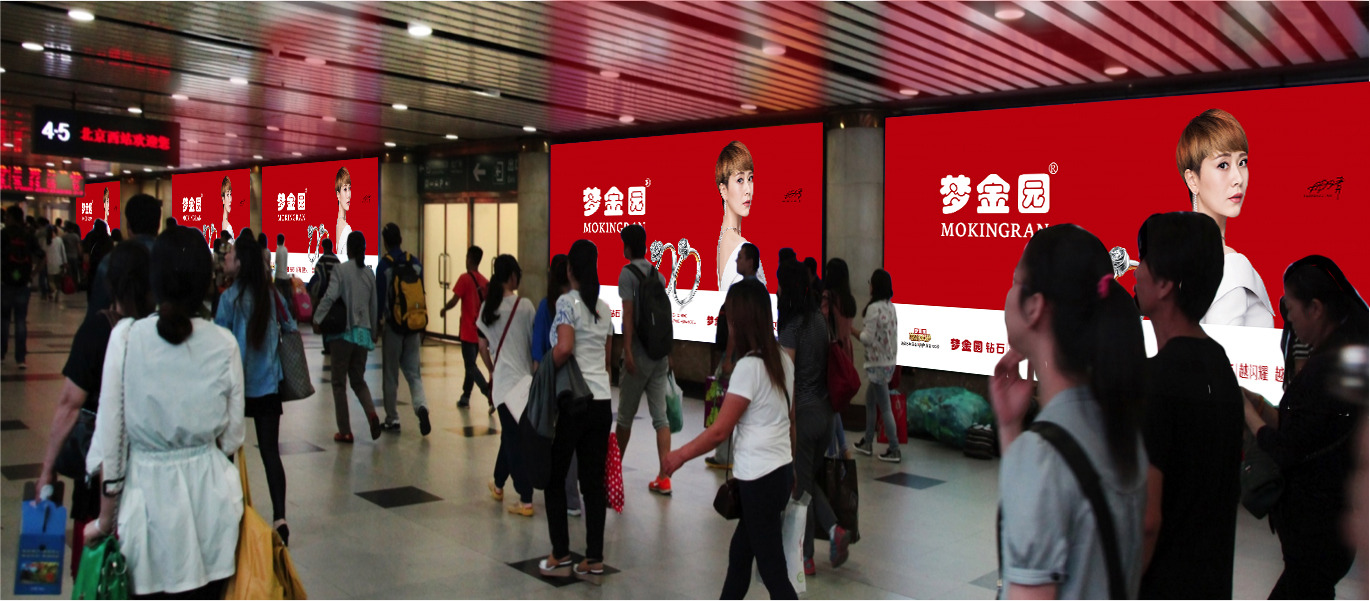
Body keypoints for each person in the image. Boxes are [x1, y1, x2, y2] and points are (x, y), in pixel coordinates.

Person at [82, 226, 245, 598]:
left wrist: (104, 521)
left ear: (154, 280)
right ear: (205, 280)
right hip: (212, 513)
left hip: (146, 517)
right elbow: (232, 438)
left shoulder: (126, 338)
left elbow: (111, 439)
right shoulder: (224, 343)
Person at [990, 224, 1148, 599]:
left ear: (1035, 307)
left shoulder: (1041, 456)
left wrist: (1019, 445)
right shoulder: (1120, 432)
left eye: (1015, 282)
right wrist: (1010, 429)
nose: (1009, 294)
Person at [1132, 213, 1242, 598]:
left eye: (1142, 261)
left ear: (1164, 284)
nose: (1135, 272)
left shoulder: (1157, 380)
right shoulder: (1219, 362)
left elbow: (1147, 521)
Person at [664, 279, 796, 600]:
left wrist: (679, 455)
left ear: (740, 322)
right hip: (778, 473)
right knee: (740, 555)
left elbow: (719, 431)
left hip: (759, 480)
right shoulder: (782, 359)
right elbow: (790, 420)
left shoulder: (749, 367)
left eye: (730, 317)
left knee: (774, 573)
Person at [1242, 255, 1365, 599]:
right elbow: (1305, 429)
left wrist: (1248, 413)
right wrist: (1260, 407)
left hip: (1316, 533)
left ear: (1315, 308)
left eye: (1291, 308)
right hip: (1327, 531)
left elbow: (1286, 449)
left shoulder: (1325, 369)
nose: (1289, 319)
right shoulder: (1342, 358)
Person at [33, 240, 153, 578]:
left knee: (94, 571)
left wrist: (47, 469)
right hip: (147, 471)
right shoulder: (158, 331)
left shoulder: (98, 330)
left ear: (109, 283)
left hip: (100, 470)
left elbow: (69, 404)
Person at [539, 240, 614, 582]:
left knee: (555, 477)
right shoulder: (604, 309)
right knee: (593, 483)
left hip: (575, 402)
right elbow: (606, 361)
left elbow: (565, 347)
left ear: (570, 269)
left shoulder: (566, 302)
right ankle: (594, 558)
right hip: (601, 402)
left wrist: (546, 368)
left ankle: (560, 553)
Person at [215, 233, 296, 545]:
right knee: (270, 452)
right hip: (268, 386)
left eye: (231, 252)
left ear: (240, 262)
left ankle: (229, 513)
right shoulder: (270, 295)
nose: (226, 255)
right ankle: (280, 518)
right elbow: (290, 326)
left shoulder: (229, 299)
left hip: (236, 389)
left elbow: (219, 342)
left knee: (228, 451)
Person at [777, 260, 850, 575]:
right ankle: (827, 537)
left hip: (804, 417)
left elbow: (787, 378)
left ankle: (812, 550)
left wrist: (787, 422)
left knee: (801, 488)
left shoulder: (791, 327)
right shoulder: (819, 321)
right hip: (827, 416)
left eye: (779, 284)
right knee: (807, 480)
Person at [1176, 108, 1274, 328]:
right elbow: (1223, 350)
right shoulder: (1229, 265)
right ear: (1192, 180)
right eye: (1223, 165)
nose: (1238, 178)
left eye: (1242, 162)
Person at [615, 224, 674, 495]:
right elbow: (663, 319)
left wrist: (627, 350)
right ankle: (664, 477)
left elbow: (628, 314)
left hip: (638, 355)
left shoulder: (626, 274)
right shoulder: (658, 275)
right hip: (659, 355)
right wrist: (667, 353)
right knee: (661, 418)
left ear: (628, 247)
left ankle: (613, 475)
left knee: (625, 418)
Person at [478, 255, 537, 516]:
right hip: (524, 383)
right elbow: (534, 344)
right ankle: (507, 488)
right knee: (513, 437)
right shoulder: (526, 306)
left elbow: (482, 347)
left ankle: (519, 495)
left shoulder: (487, 308)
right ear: (512, 276)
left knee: (511, 437)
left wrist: (492, 369)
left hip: (502, 384)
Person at [314, 231, 382, 442]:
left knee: (338, 383)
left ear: (349, 249)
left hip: (343, 334)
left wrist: (317, 318)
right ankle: (372, 414)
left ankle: (345, 431)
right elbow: (374, 305)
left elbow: (329, 296)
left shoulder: (341, 270)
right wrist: (373, 332)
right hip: (363, 336)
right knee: (358, 381)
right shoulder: (369, 274)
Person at [532, 254, 584, 516]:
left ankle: (563, 495)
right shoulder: (582, 303)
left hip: (555, 379)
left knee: (553, 437)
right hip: (581, 383)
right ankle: (573, 495)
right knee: (574, 440)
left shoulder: (548, 305)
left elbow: (539, 351)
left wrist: (539, 381)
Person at [707, 241, 761, 470]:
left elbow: (733, 328)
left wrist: (728, 358)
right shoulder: (761, 291)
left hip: (738, 356)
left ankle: (723, 455)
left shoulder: (737, 291)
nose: (737, 260)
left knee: (724, 404)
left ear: (750, 262)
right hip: (757, 357)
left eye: (740, 257)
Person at [376, 223, 431, 434]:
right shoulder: (414, 263)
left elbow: (380, 300)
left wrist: (376, 325)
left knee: (391, 375)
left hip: (393, 327)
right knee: (414, 373)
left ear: (385, 242)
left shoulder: (384, 266)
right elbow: (420, 294)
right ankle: (421, 406)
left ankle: (392, 419)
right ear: (400, 239)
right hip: (413, 325)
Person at [852, 269, 900, 462]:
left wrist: (851, 330)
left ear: (875, 286)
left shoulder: (873, 309)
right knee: (870, 400)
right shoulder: (891, 307)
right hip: (888, 363)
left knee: (885, 407)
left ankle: (894, 448)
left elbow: (867, 338)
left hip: (877, 365)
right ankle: (868, 441)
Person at [88, 194, 160, 318]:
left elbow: (96, 313)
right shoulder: (169, 258)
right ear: (158, 225)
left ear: (128, 225)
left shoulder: (110, 261)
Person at [439, 246, 492, 411]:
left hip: (468, 331)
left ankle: (487, 391)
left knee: (470, 366)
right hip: (480, 331)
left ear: (469, 259)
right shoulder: (484, 282)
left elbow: (455, 300)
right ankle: (465, 397)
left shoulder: (464, 279)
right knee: (471, 364)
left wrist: (444, 309)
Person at [715, 141, 768, 291]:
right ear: (723, 190)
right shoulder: (741, 247)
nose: (748, 190)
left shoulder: (723, 240)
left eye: (750, 178)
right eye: (740, 180)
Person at [823, 258, 856, 457]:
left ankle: (835, 451)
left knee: (830, 404)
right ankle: (841, 448)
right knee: (834, 404)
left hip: (833, 353)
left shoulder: (829, 298)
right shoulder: (848, 299)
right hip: (846, 353)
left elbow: (823, 320)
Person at [2, 206, 39, 369]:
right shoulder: (28, 235)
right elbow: (42, 256)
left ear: (11, 217)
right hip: (23, 283)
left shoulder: (4, 234)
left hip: (6, 282)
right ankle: (20, 358)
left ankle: (1, 354)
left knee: (4, 320)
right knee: (20, 321)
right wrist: (32, 274)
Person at [43, 224, 66, 301]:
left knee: (50, 280)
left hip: (49, 262)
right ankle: (56, 293)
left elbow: (44, 253)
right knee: (57, 280)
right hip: (59, 262)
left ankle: (54, 291)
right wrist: (65, 261)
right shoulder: (59, 240)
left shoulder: (46, 241)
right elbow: (63, 252)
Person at [334, 167, 354, 247]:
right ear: (338, 194)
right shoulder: (346, 228)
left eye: (349, 188)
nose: (348, 195)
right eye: (345, 189)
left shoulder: (338, 224)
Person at [62, 222, 81, 290]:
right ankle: (76, 286)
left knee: (69, 272)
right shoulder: (76, 236)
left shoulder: (65, 236)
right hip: (74, 256)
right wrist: (80, 254)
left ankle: (69, 285)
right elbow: (78, 247)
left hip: (67, 256)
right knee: (75, 271)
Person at [273, 233, 291, 301]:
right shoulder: (286, 249)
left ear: (278, 241)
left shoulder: (278, 250)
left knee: (277, 297)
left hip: (278, 276)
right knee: (286, 297)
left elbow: (276, 262)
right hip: (285, 276)